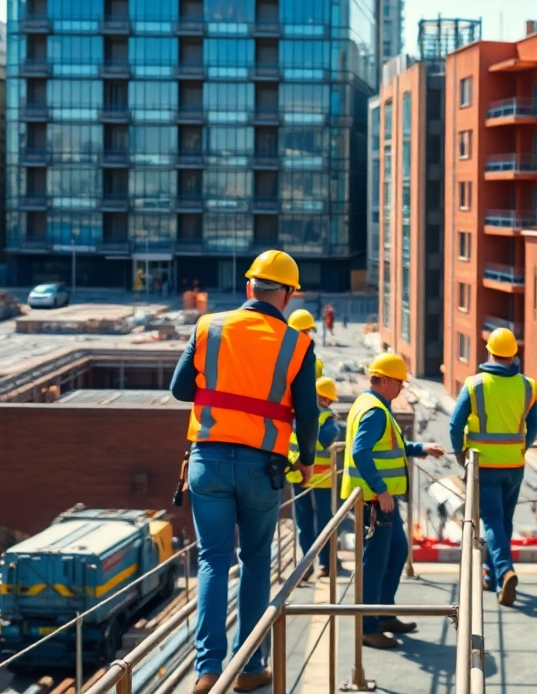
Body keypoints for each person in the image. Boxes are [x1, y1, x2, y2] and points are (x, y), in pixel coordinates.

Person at [169, 249, 319, 694]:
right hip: (262, 466)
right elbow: (308, 413)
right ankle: (249, 665)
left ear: (249, 286)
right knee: (255, 561)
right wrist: (307, 460)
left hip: (208, 461)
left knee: (214, 560)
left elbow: (179, 389)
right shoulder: (297, 344)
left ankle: (208, 669)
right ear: (288, 295)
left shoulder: (208, 326)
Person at [340, 352, 445, 649]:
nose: (401, 389)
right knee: (375, 563)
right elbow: (361, 452)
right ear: (384, 381)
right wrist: (380, 489)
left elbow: (390, 446)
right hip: (376, 501)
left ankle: (384, 613)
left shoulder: (374, 405)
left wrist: (418, 447)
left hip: (381, 501)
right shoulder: (375, 410)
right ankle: (367, 625)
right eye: (399, 383)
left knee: (397, 551)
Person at [448, 327, 537, 606]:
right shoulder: (527, 385)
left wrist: (460, 453)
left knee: (490, 521)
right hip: (514, 465)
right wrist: (522, 448)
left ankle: (504, 570)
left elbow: (455, 425)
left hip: (484, 466)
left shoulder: (475, 384)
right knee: (502, 522)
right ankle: (493, 575)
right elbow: (534, 425)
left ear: (489, 351)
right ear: (514, 355)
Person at [286, 377, 345, 580]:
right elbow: (324, 439)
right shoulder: (328, 420)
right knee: (323, 522)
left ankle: (308, 565)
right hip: (319, 479)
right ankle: (323, 564)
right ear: (327, 399)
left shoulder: (297, 415)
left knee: (306, 522)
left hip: (301, 476)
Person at [287, 309, 324, 378]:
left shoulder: (280, 356)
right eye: (305, 332)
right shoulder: (315, 365)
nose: (309, 337)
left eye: (309, 332)